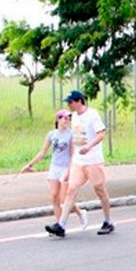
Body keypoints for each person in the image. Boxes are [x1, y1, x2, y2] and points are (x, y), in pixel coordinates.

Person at [45, 90, 114, 237]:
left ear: (78, 101)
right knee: (71, 190)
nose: (69, 105)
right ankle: (61, 224)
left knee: (99, 189)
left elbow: (101, 133)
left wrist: (89, 146)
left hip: (93, 160)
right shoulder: (74, 117)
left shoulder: (92, 114)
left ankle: (108, 221)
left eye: (70, 102)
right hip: (78, 160)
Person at [22, 110, 88, 229]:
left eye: (69, 118)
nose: (67, 120)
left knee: (64, 197)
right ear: (58, 119)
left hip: (66, 167)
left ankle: (80, 213)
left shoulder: (71, 134)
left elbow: (73, 154)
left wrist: (69, 170)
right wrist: (29, 164)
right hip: (54, 167)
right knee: (54, 196)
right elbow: (42, 152)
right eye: (65, 118)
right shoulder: (52, 134)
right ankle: (59, 225)